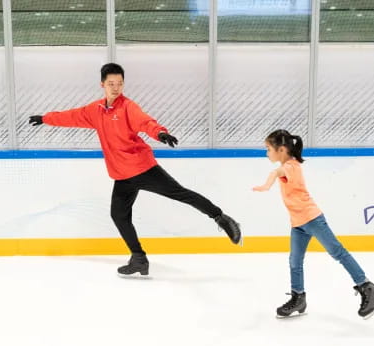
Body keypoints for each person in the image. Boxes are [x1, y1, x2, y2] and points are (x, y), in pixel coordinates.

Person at [29, 63, 242, 276]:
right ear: (102, 84)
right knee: (119, 215)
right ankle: (139, 258)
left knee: (180, 194)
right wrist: (45, 118)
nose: (116, 88)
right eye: (111, 83)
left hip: (142, 168)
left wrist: (160, 133)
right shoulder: (95, 111)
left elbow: (145, 122)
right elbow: (72, 116)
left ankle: (221, 218)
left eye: (120, 83)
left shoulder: (128, 107)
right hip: (122, 176)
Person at [252, 129, 374, 319]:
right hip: (298, 224)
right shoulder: (290, 165)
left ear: (281, 149)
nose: (266, 152)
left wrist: (267, 185)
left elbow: (277, 172)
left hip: (312, 219)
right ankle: (298, 297)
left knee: (338, 252)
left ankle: (367, 286)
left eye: (268, 148)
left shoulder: (291, 166)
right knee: (295, 261)